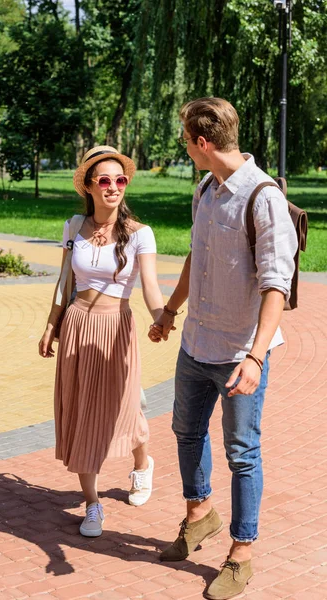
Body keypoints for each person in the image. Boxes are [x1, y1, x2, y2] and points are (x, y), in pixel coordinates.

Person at [149, 98, 298, 600]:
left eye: (185, 142)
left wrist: (256, 357)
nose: (186, 150)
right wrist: (171, 311)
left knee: (242, 453)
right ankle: (199, 515)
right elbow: (198, 252)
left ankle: (241, 553)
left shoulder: (263, 197)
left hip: (239, 353)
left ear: (202, 143)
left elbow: (277, 283)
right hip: (196, 342)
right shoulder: (205, 190)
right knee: (185, 432)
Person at [39, 145, 164, 538]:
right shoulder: (73, 226)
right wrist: (51, 325)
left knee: (125, 409)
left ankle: (142, 465)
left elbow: (151, 288)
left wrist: (163, 316)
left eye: (120, 180)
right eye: (105, 181)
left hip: (115, 329)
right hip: (77, 325)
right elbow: (64, 282)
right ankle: (92, 505)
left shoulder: (140, 234)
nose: (114, 187)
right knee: (79, 411)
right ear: (89, 187)